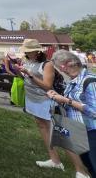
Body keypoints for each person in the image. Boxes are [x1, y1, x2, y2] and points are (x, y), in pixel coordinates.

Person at [48, 50, 96, 178]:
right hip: (79, 130)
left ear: (69, 64)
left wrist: (67, 100)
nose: (62, 71)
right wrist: (57, 98)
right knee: (89, 165)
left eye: (61, 68)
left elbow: (94, 112)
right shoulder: (73, 81)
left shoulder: (90, 81)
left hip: (91, 131)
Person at [18, 39, 64, 171]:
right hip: (32, 98)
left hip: (44, 100)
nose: (26, 53)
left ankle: (57, 160)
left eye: (28, 51)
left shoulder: (47, 64)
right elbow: (26, 79)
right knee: (41, 126)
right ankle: (53, 158)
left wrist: (30, 75)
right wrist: (19, 72)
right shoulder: (28, 61)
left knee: (49, 128)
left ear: (37, 51)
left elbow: (47, 86)